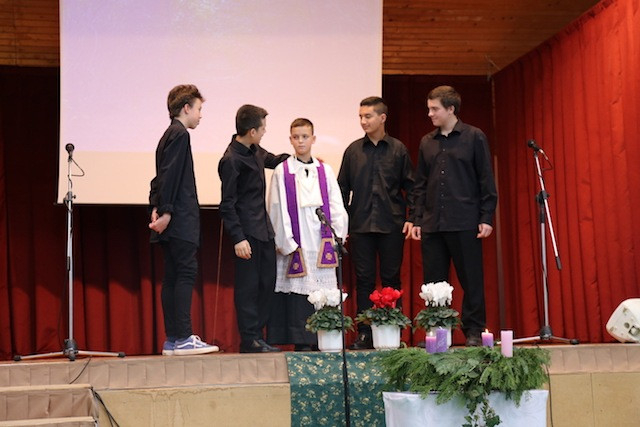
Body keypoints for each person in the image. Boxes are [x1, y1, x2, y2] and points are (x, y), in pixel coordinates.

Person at [409, 85, 498, 347]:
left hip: (465, 220)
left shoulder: (474, 137)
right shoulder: (427, 141)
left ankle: (473, 330)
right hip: (433, 222)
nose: (430, 114)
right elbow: (420, 184)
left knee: (471, 279)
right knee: (434, 283)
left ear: (451, 109)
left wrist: (486, 216)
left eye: (434, 109)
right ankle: (438, 333)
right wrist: (416, 218)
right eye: (429, 109)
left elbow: (485, 179)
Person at [337, 96, 415, 350]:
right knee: (364, 280)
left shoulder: (398, 149)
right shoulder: (353, 151)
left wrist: (412, 218)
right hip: (361, 225)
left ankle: (392, 331)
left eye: (368, 116)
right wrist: (344, 221)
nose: (363, 121)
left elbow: (411, 186)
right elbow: (341, 188)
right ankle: (364, 333)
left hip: (391, 224)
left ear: (382, 118)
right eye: (360, 116)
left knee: (392, 279)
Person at [148, 84, 219, 356]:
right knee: (185, 273)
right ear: (186, 108)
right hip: (180, 220)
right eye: (199, 109)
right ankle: (184, 337)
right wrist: (166, 211)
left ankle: (173, 339)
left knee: (172, 276)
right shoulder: (180, 135)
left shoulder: (167, 135)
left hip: (171, 217)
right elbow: (170, 176)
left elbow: (160, 177)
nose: (201, 115)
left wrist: (157, 206)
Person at [267, 118, 349, 351]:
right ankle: (301, 340)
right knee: (297, 290)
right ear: (290, 139)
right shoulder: (283, 171)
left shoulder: (325, 170)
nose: (301, 141)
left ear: (313, 139)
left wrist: (337, 235)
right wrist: (287, 242)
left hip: (321, 240)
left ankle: (323, 339)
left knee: (322, 288)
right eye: (296, 137)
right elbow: (276, 207)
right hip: (297, 240)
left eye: (305, 137)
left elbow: (336, 204)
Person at [218, 104, 289, 353]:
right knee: (248, 288)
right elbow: (227, 204)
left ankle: (259, 335)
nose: (264, 132)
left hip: (264, 230)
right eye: (263, 129)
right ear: (251, 131)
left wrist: (299, 158)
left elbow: (275, 160)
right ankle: (249, 339)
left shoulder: (255, 150)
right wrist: (238, 238)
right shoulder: (231, 160)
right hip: (246, 234)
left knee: (266, 284)